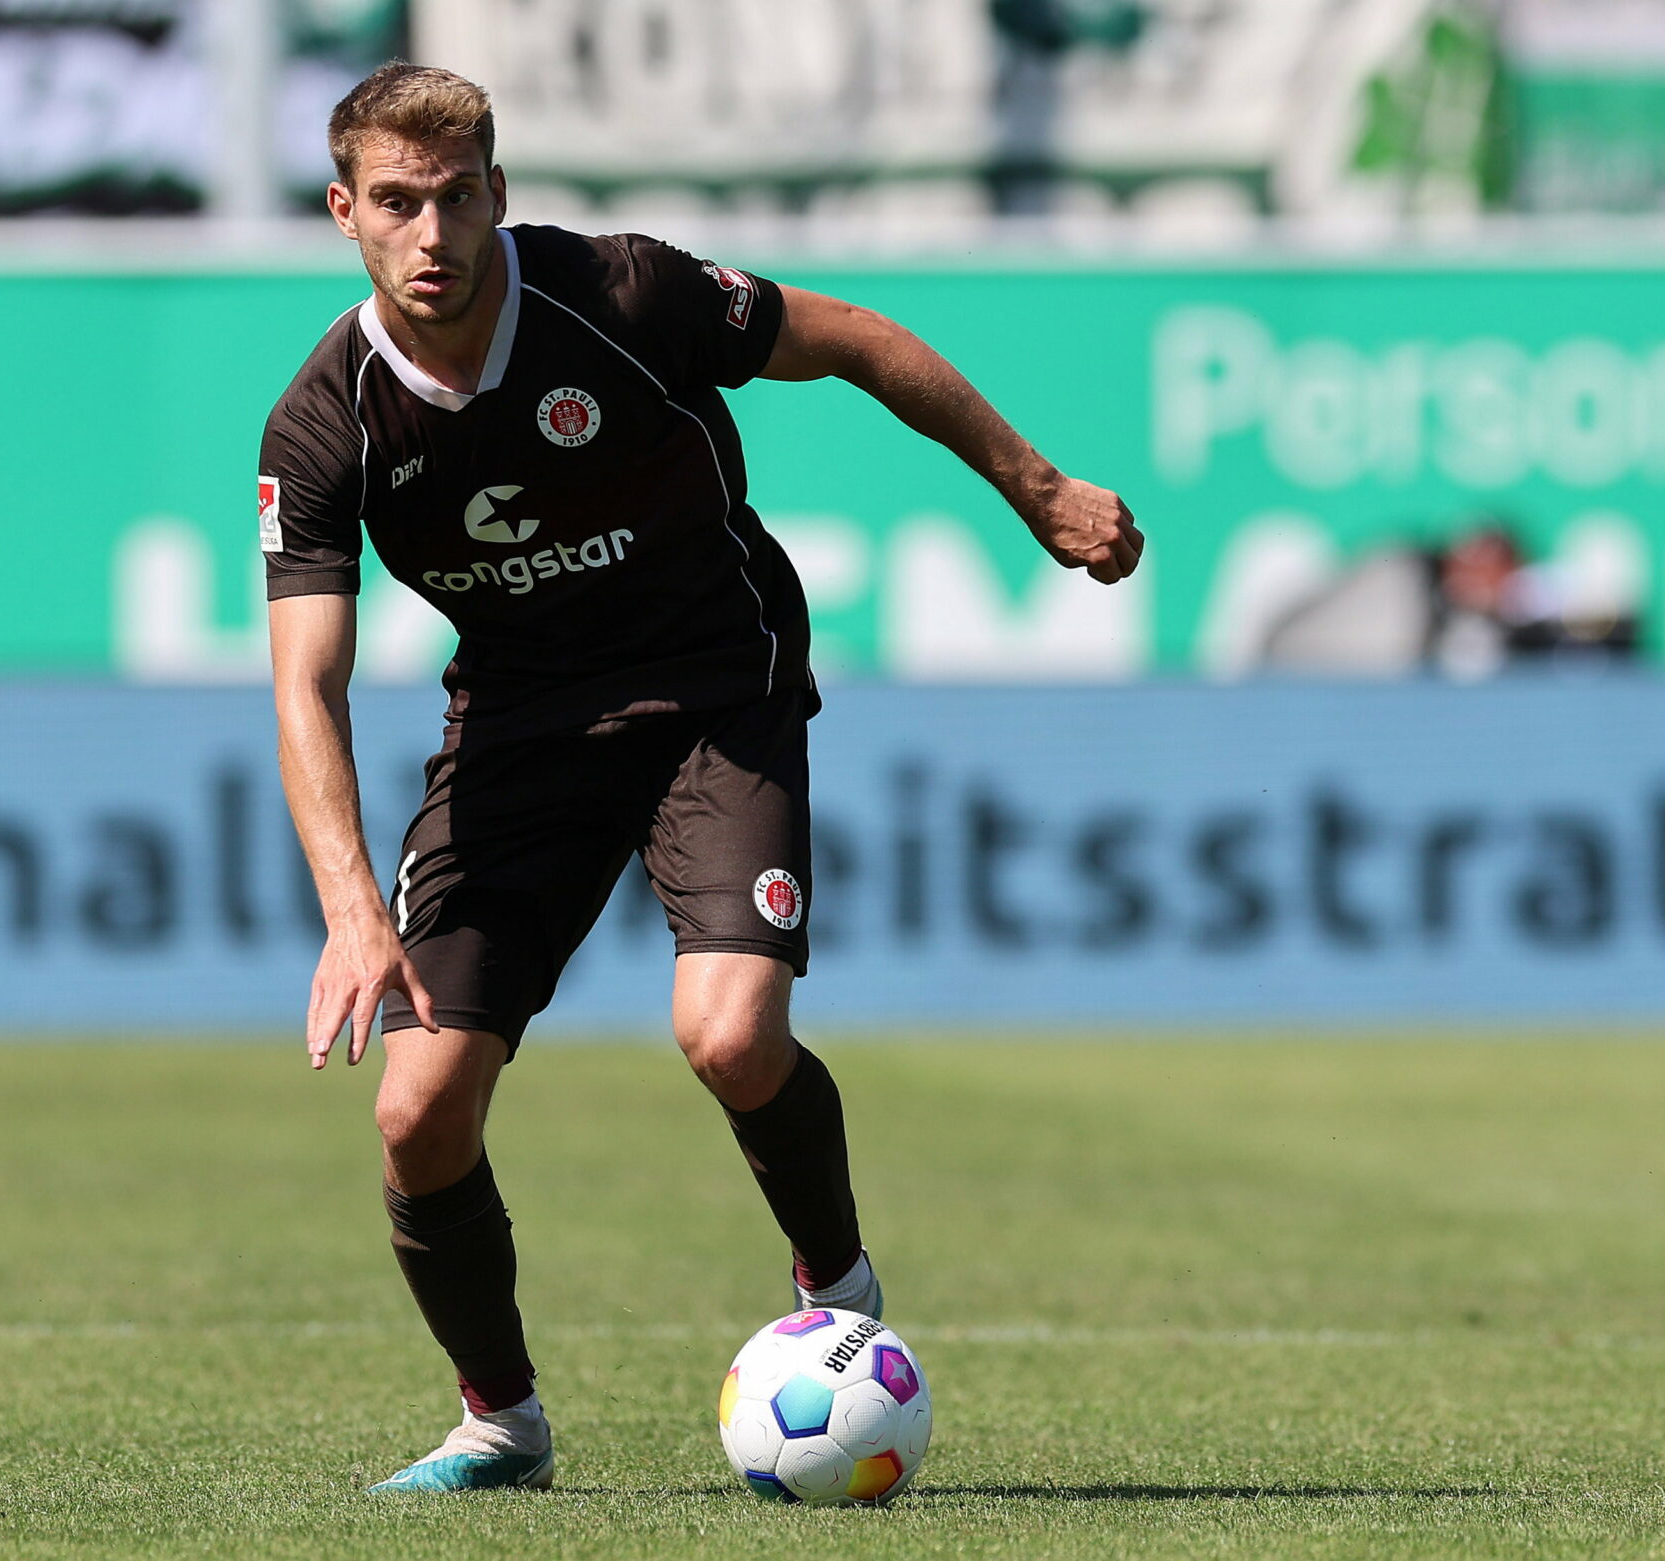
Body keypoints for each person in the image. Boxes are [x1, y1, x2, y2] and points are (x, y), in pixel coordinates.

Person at [259, 63, 1142, 1494]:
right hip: (522, 728)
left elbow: (853, 340)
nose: (433, 234)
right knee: (416, 1114)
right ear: (345, 212)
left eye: (459, 197)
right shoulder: (325, 425)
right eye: (399, 204)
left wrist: (1035, 489)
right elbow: (307, 681)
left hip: (709, 690)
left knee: (730, 1034)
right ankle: (500, 1419)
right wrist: (353, 911)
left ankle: (839, 1294)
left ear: (500, 195)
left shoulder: (615, 297)